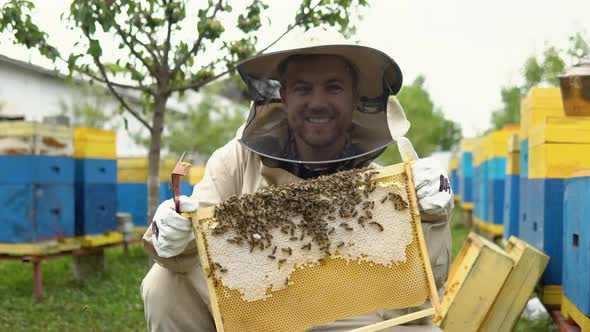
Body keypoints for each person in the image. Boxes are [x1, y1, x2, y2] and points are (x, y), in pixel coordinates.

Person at [140, 30, 453, 332]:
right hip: (254, 310)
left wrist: (433, 219)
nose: (317, 102)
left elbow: (416, 298)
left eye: (333, 87)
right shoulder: (236, 162)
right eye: (303, 88)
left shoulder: (383, 185)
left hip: (347, 316)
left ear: (354, 96)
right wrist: (172, 235)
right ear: (284, 96)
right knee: (163, 283)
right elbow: (191, 245)